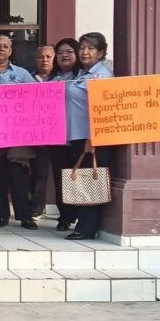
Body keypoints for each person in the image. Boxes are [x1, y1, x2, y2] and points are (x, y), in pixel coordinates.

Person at [61, 32, 115, 240]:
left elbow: (101, 109)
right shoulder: (83, 73)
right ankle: (84, 224)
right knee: (83, 179)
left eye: (91, 48)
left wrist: (92, 139)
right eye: (82, 47)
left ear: (101, 52)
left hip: (91, 138)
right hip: (78, 136)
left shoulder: (100, 74)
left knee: (89, 180)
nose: (85, 52)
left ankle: (86, 228)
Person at [0, 35, 38, 230]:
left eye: (6, 46)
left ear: (11, 50)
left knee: (18, 178)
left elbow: (36, 98)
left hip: (17, 135)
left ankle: (25, 217)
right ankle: (0, 216)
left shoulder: (23, 74)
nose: (1, 49)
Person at [49, 37, 81, 230]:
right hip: (56, 138)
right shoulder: (52, 78)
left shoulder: (83, 77)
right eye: (60, 53)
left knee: (77, 177)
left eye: (68, 52)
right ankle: (65, 216)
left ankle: (79, 213)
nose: (64, 56)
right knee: (61, 178)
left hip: (77, 136)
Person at [29, 45, 57, 220]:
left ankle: (66, 213)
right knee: (34, 173)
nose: (44, 60)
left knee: (57, 173)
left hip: (58, 136)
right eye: (41, 57)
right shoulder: (27, 79)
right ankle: (33, 208)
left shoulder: (63, 80)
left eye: (48, 57)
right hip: (31, 135)